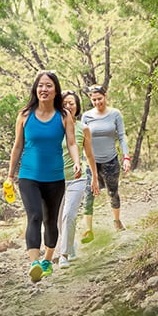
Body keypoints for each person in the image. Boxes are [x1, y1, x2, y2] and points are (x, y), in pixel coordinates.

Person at [6, 71, 81, 282]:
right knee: (34, 216)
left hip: (55, 177)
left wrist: (76, 161)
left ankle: (48, 259)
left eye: (48, 86)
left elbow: (73, 143)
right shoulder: (25, 115)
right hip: (29, 175)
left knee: (50, 221)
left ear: (55, 89)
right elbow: (17, 146)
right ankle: (34, 263)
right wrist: (10, 175)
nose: (44, 89)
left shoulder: (64, 116)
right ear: (35, 89)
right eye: (40, 86)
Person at [80, 83, 131, 243]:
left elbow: (122, 136)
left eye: (99, 99)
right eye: (94, 100)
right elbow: (82, 140)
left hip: (110, 161)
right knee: (89, 194)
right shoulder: (87, 116)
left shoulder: (115, 114)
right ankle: (88, 230)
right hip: (92, 162)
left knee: (112, 192)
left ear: (105, 96)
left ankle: (116, 221)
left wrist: (126, 157)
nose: (97, 102)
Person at [56, 90, 100, 268]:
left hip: (77, 179)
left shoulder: (84, 128)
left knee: (69, 215)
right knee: (58, 219)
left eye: (71, 103)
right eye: (65, 103)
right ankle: (70, 245)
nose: (68, 106)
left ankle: (63, 255)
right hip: (55, 180)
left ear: (77, 106)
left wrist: (94, 178)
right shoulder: (53, 127)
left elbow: (89, 155)